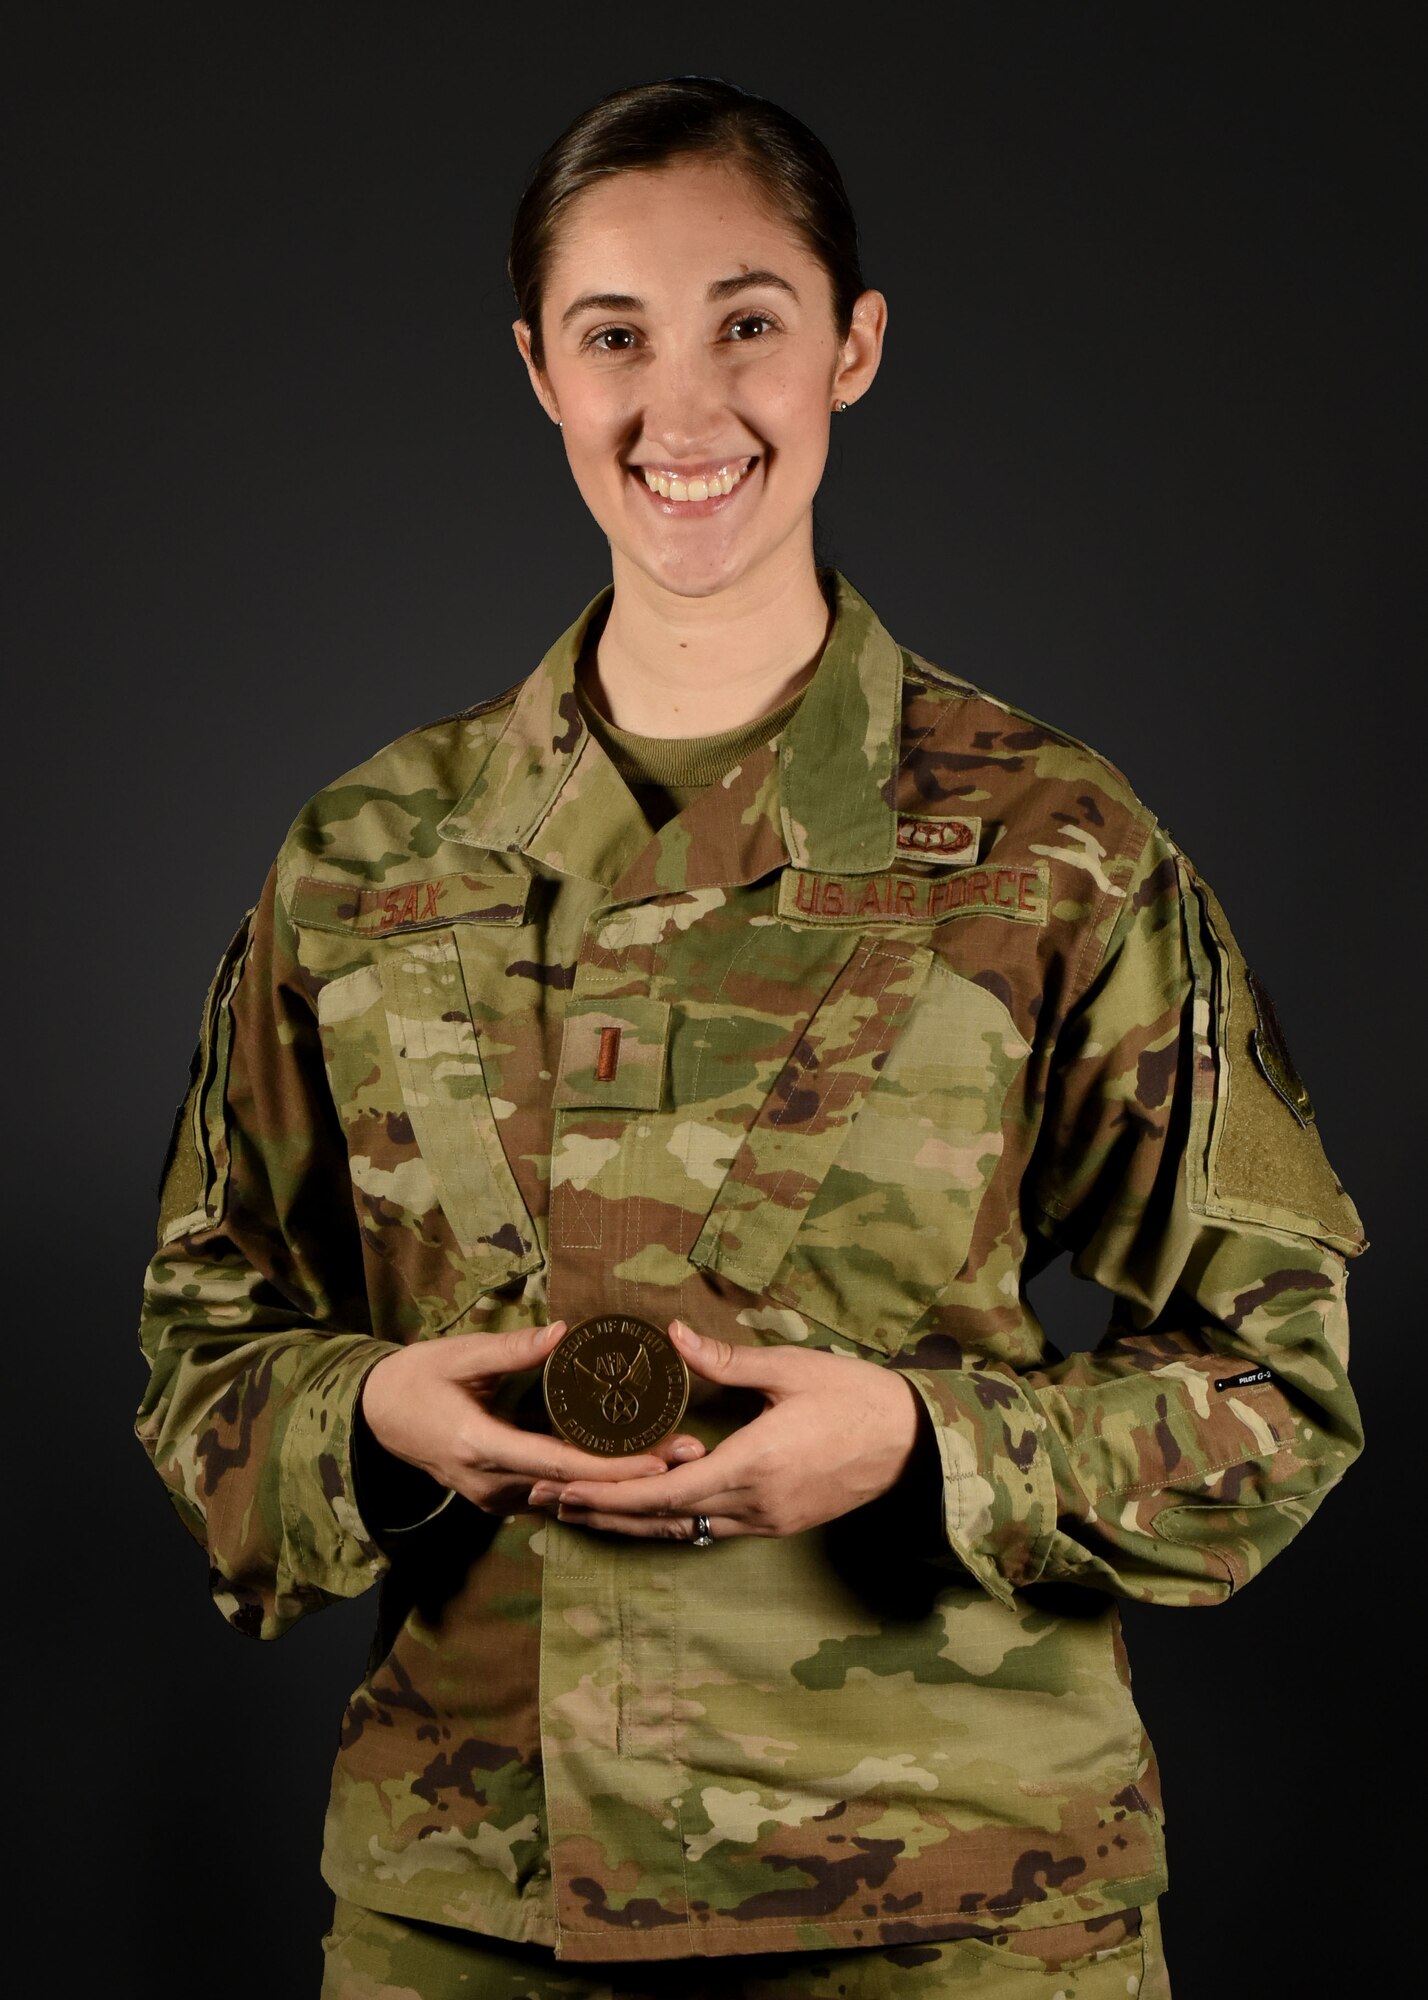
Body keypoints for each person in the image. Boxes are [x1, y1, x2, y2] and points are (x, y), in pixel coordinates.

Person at [136, 76, 1365, 2000]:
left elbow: (1280, 1386)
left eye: (749, 322)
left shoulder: (1054, 846)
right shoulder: (368, 855)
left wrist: (926, 1444)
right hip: (472, 1909)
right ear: (540, 369)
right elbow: (203, 1343)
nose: (683, 408)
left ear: (853, 350)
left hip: (953, 1920)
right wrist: (370, 1422)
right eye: (615, 335)